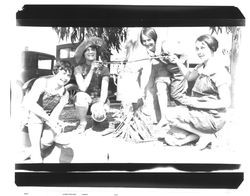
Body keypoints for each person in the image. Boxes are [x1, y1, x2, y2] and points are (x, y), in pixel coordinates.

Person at [163, 34, 231, 150]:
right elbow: (189, 77)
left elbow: (226, 102)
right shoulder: (202, 66)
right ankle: (205, 136)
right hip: (200, 113)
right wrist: (177, 61)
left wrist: (195, 103)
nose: (199, 52)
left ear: (212, 48)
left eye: (203, 47)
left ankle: (204, 134)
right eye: (197, 48)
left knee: (169, 114)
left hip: (214, 116)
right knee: (170, 138)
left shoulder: (219, 71)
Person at [22, 60, 73, 162]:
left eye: (68, 75)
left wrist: (55, 124)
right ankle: (36, 154)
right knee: (35, 116)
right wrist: (48, 118)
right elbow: (30, 103)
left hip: (47, 118)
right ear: (55, 72)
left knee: (48, 140)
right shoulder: (42, 82)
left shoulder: (64, 93)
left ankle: (31, 150)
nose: (65, 78)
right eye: (63, 73)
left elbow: (55, 114)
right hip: (31, 114)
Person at [140, 27, 188, 130]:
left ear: (154, 38)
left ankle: (191, 118)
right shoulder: (148, 51)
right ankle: (163, 119)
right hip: (165, 69)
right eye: (144, 41)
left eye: (149, 40)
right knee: (159, 86)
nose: (147, 43)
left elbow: (185, 54)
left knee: (177, 95)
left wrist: (177, 61)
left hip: (177, 71)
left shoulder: (164, 46)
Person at [73, 37, 110, 133]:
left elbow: (104, 90)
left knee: (100, 118)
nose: (90, 52)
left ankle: (96, 118)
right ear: (83, 54)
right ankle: (82, 123)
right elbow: (82, 88)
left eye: (93, 49)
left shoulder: (104, 68)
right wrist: (92, 70)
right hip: (84, 100)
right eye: (87, 50)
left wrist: (101, 105)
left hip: (98, 100)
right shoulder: (78, 69)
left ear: (96, 52)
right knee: (80, 96)